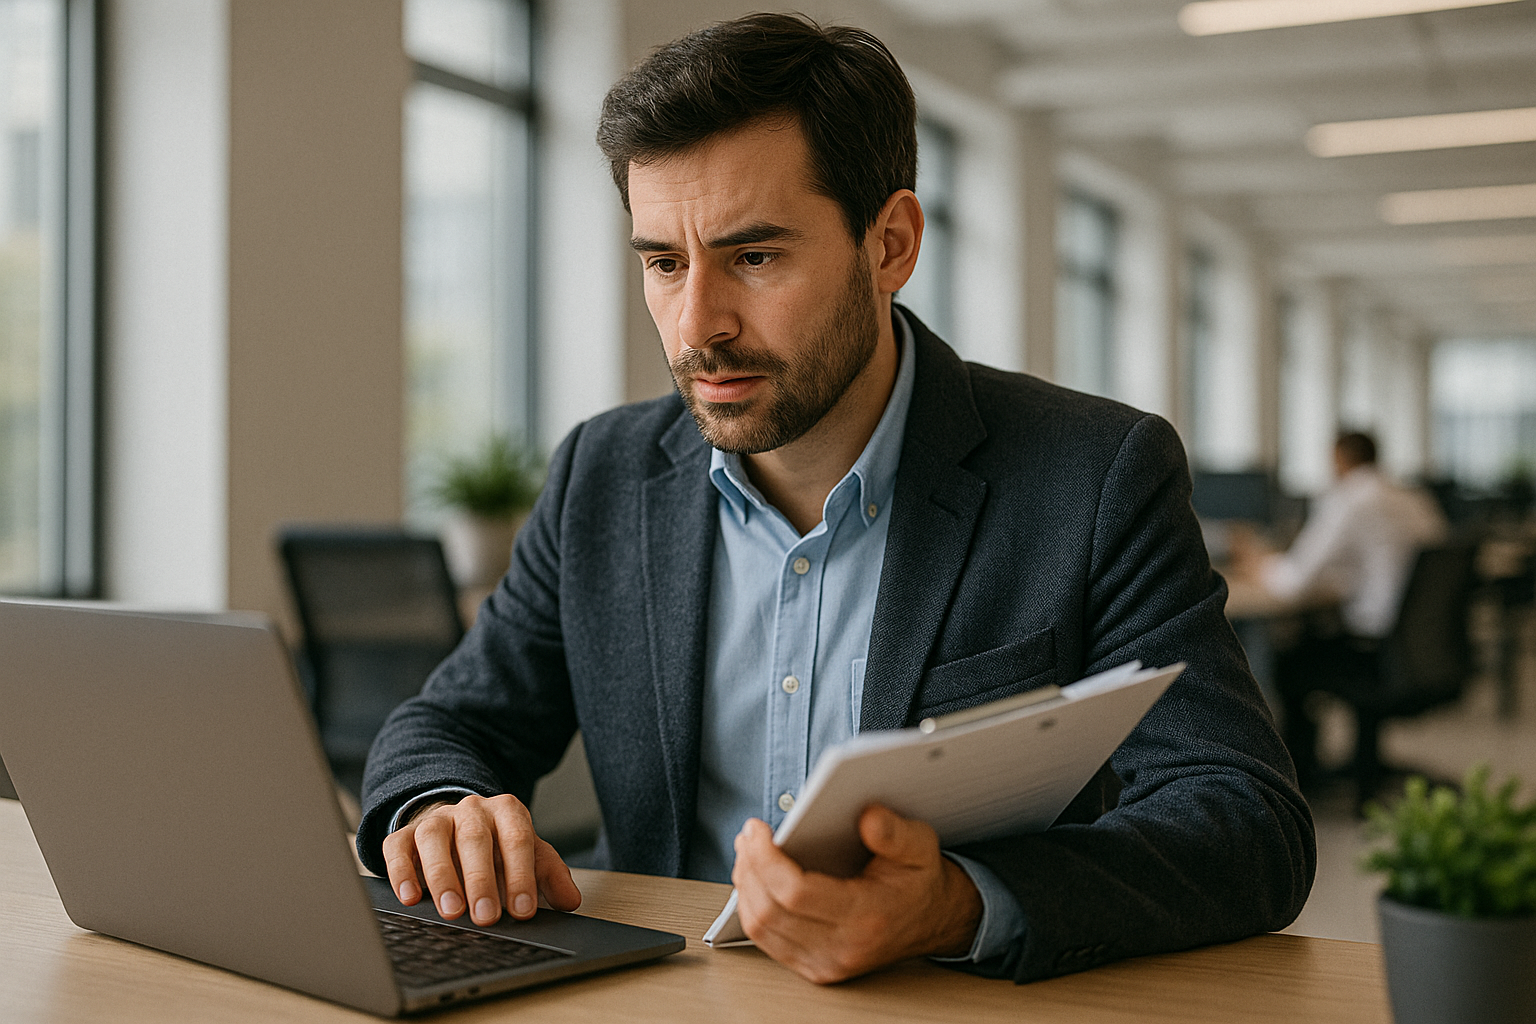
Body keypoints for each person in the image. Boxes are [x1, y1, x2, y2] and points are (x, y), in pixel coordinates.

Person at [356, 13, 1314, 985]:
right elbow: (451, 725)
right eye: (664, 262)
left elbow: (1247, 820)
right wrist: (440, 808)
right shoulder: (601, 476)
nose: (699, 325)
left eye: (755, 257)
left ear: (890, 243)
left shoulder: (1094, 473)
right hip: (654, 998)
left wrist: (960, 899)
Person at [1232, 431, 1448, 786]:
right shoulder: (1413, 499)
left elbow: (1293, 582)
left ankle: (1300, 778)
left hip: (1373, 651)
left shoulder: (1351, 500)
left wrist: (1256, 563)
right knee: (1311, 639)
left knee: (1289, 663)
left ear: (1340, 460)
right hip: (1421, 650)